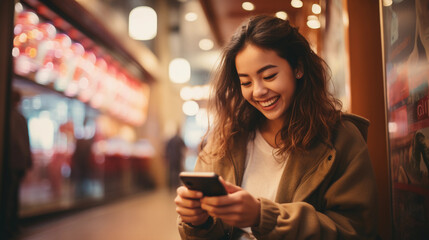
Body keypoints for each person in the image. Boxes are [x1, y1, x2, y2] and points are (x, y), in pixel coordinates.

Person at [174, 15, 378, 239]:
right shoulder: (225, 140)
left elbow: (355, 230)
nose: (258, 91)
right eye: (246, 82)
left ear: (298, 68)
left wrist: (262, 217)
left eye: (269, 76)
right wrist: (198, 223)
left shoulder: (340, 139)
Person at [5, 89, 33, 239]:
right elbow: (25, 143)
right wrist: (28, 161)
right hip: (19, 163)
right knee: (14, 195)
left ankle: (9, 224)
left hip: (10, 163)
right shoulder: (20, 118)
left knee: (9, 194)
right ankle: (13, 224)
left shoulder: (8, 116)